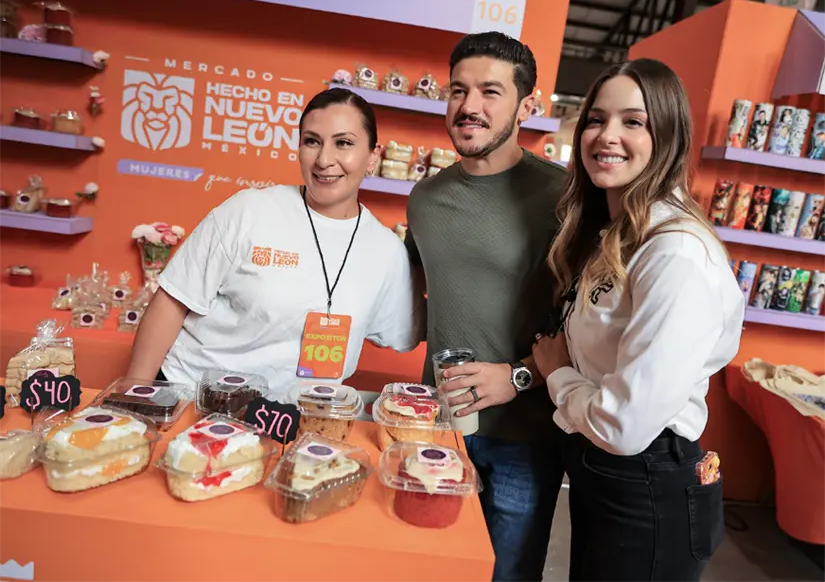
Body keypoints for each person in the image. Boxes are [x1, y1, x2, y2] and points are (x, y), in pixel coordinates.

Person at [532, 58, 745, 582]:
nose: (607, 136)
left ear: (667, 136)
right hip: (606, 474)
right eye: (596, 119)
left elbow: (623, 425)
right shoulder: (618, 232)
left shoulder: (675, 254)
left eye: (633, 122)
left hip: (647, 480)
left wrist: (558, 374)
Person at [124, 88, 424, 398]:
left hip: (291, 420)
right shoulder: (248, 210)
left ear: (373, 157)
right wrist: (133, 397)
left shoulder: (386, 251)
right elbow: (171, 302)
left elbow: (406, 330)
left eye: (343, 143)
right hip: (195, 400)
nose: (324, 159)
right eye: (312, 141)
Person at [405, 31, 567, 582]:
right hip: (438, 425)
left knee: (508, 573)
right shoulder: (425, 199)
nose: (469, 107)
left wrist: (519, 375)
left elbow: (597, 325)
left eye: (490, 92)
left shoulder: (564, 199)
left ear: (527, 106)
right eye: (458, 90)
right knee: (427, 565)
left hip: (527, 435)